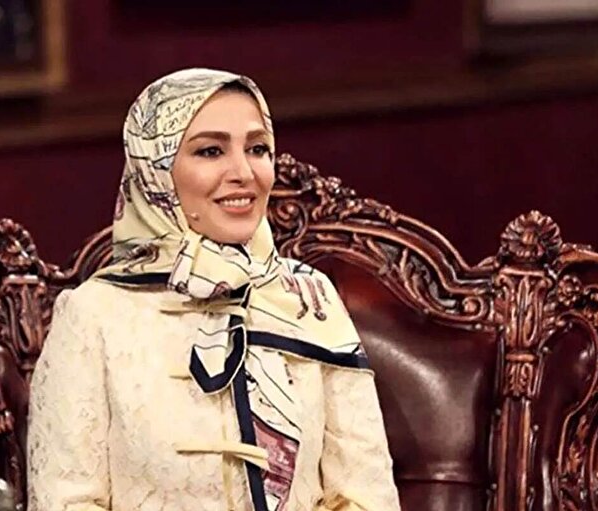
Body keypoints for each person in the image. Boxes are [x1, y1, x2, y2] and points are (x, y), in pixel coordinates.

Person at [27, 68, 401, 511]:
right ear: (156, 170)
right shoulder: (93, 315)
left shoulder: (308, 298)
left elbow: (366, 496)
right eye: (210, 151)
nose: (244, 172)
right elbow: (65, 502)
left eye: (257, 149)